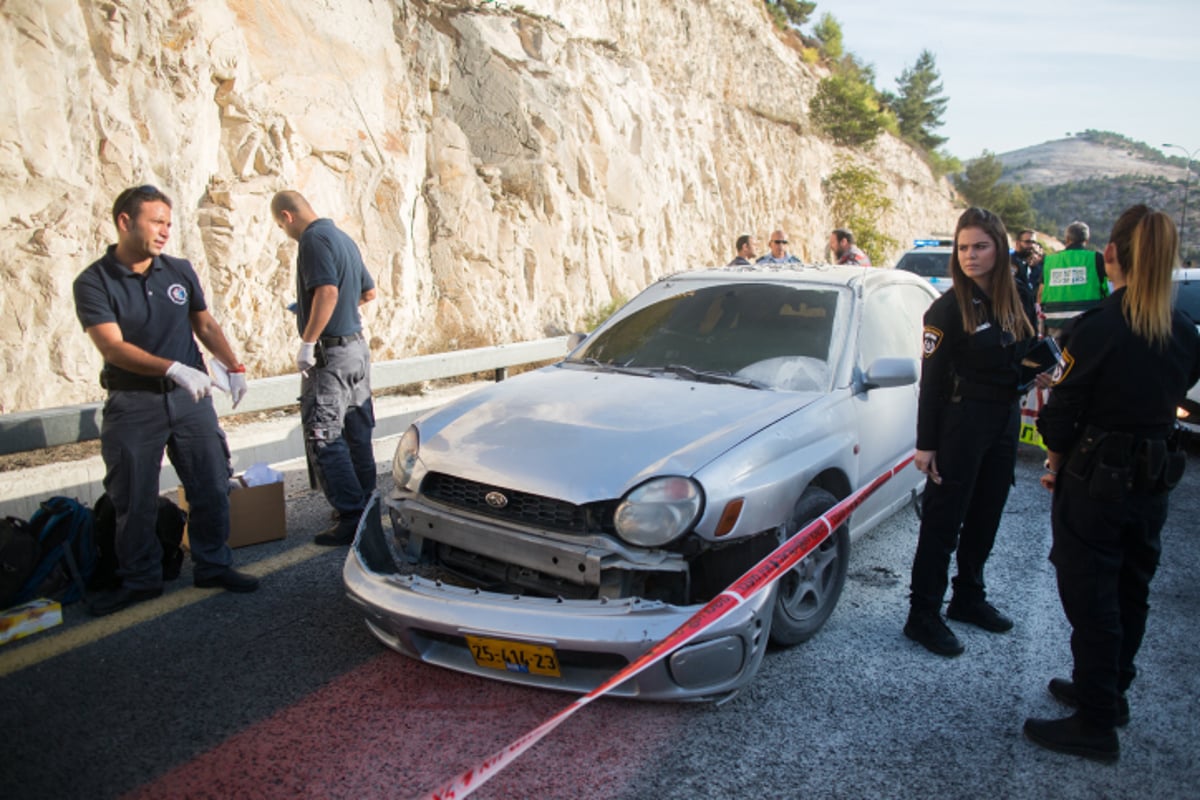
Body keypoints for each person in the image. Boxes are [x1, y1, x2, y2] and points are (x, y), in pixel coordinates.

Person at [1025, 205, 1200, 763]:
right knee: (1131, 587)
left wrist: (1054, 460)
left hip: (1095, 477)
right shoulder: (1183, 330)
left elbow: (1058, 414)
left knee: (1091, 594)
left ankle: (1096, 723)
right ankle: (1108, 693)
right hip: (1152, 478)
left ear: (1111, 255)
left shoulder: (1099, 326)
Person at [73, 184, 258, 616]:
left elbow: (204, 324)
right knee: (133, 498)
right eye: (157, 222)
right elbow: (113, 347)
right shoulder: (94, 281)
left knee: (211, 485)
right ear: (125, 222)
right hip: (134, 403)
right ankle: (140, 579)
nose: (164, 232)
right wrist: (170, 367)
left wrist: (234, 365)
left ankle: (213, 564)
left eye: (169, 224)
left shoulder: (178, 270)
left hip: (190, 399)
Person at [904, 207, 1036, 657]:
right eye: (963, 247)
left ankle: (967, 598)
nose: (970, 256)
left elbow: (1023, 349)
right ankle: (922, 614)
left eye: (980, 246)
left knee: (987, 514)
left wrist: (1042, 366)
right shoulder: (945, 309)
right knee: (944, 522)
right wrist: (926, 445)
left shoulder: (1015, 293)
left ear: (999, 248)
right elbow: (932, 382)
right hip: (961, 422)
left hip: (1003, 419)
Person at [270, 191, 378, 546]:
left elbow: (327, 292)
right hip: (356, 350)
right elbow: (368, 293)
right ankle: (366, 506)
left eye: (280, 225)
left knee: (323, 433)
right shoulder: (343, 238)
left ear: (287, 216)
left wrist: (307, 339)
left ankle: (349, 514)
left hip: (330, 354)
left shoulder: (312, 239)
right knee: (356, 432)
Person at [1038, 221, 1107, 340]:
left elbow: (1041, 292)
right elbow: (1106, 289)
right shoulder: (1096, 258)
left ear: (1067, 238)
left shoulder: (1049, 261)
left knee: (1058, 357)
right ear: (1086, 239)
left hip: (1055, 322)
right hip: (1087, 321)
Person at [1010, 229, 1038, 325]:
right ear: (1018, 243)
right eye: (1027, 242)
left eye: (1033, 242)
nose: (1031, 246)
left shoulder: (1026, 263)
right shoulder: (1012, 262)